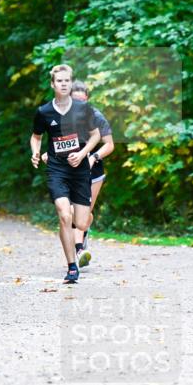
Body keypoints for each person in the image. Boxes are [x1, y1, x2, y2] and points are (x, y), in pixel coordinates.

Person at [30, 64, 101, 283]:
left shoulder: (83, 110)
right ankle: (72, 266)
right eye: (59, 81)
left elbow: (95, 136)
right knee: (64, 214)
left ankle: (82, 237)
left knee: (80, 222)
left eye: (67, 81)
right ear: (53, 84)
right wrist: (35, 152)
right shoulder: (44, 112)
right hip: (57, 169)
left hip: (79, 171)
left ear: (71, 83)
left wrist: (82, 154)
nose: (63, 84)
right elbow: (36, 137)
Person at [69, 80, 115, 269]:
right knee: (72, 211)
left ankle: (82, 239)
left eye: (82, 100)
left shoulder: (96, 116)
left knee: (84, 214)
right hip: (69, 170)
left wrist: (93, 157)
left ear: (87, 99)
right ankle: (79, 250)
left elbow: (109, 145)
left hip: (92, 172)